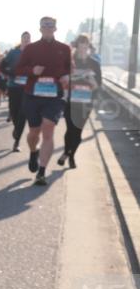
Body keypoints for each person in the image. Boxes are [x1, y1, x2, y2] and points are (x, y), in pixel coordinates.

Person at [15, 17, 72, 186]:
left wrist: (67, 76)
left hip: (54, 97)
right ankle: (33, 151)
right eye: (45, 25)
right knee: (34, 133)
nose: (48, 27)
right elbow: (18, 69)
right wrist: (32, 70)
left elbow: (69, 68)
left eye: (51, 25)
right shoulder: (31, 48)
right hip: (33, 95)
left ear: (55, 28)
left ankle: (41, 172)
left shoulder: (64, 48)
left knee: (48, 129)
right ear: (40, 28)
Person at [58, 35, 102, 169]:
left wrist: (90, 79)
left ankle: (70, 156)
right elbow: (61, 80)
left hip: (86, 103)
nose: (83, 48)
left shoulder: (94, 63)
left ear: (88, 46)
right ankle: (67, 153)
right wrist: (69, 79)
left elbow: (98, 85)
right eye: (81, 44)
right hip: (70, 101)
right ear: (77, 45)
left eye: (86, 45)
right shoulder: (69, 61)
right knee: (70, 129)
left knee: (77, 132)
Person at [0, 32, 32, 151]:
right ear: (21, 39)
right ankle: (16, 129)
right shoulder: (13, 52)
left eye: (28, 39)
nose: (26, 40)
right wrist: (11, 73)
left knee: (23, 114)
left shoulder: (33, 53)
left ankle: (17, 141)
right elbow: (2, 66)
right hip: (14, 87)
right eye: (24, 38)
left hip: (27, 88)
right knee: (14, 112)